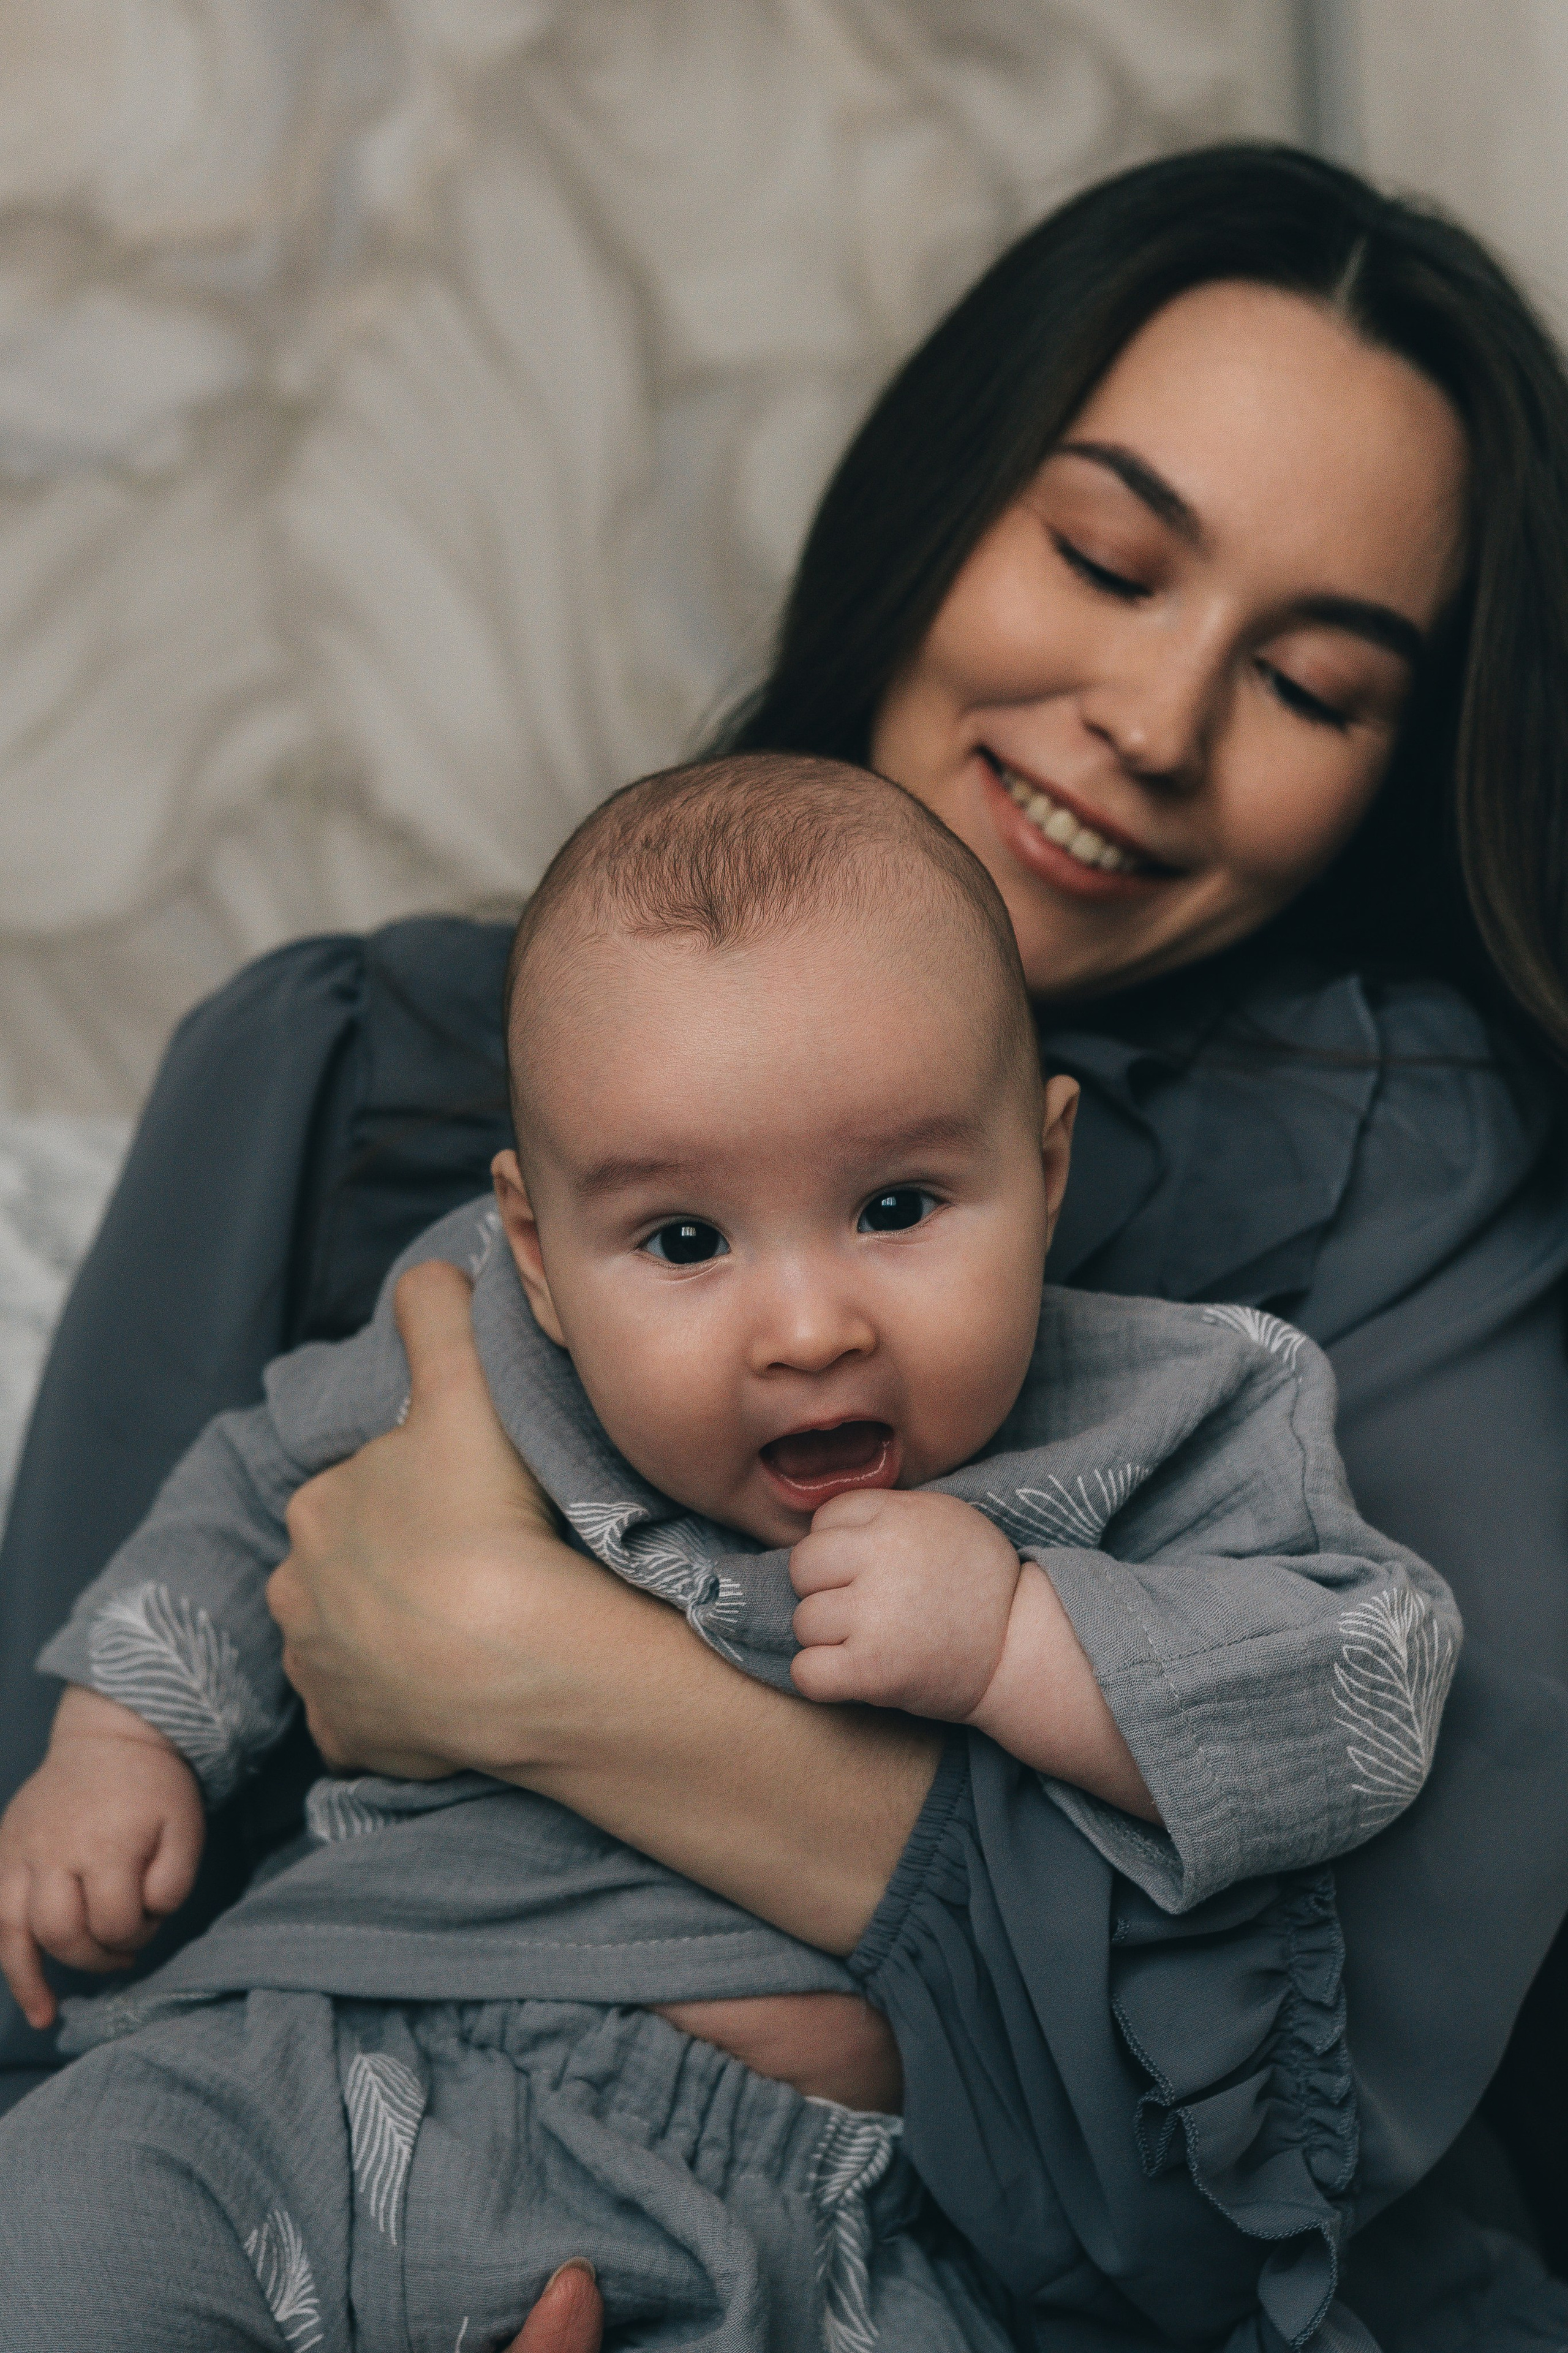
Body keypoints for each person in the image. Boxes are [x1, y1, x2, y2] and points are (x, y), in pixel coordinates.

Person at [1, 142, 1567, 2347]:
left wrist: (527, 1663)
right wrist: (130, 1744)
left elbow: (1277, 2142)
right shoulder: (350, 1079)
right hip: (324, 2147)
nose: (1154, 721)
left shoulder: (1367, 1221)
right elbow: (56, 1916)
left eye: (1313, 683)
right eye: (1104, 557)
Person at [0, 757, 1459, 2349]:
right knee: (67, 2211)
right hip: (335, 2050)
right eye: (686, 1240)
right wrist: (121, 1736)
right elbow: (252, 1481)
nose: (810, 1328)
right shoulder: (488, 1332)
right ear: (539, 1254)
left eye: (897, 1205)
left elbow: (1362, 1690)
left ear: (1045, 1172)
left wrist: (1018, 1642)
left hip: (804, 2206)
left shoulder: (1177, 1410)